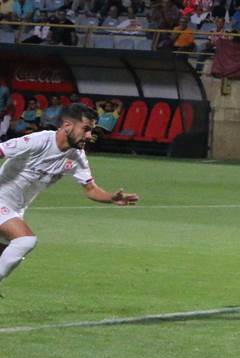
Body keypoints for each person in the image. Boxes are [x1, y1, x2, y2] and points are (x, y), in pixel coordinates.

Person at [0, 102, 140, 289]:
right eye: (86, 129)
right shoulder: (39, 141)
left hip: (16, 209)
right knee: (25, 240)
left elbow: (90, 189)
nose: (90, 136)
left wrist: (111, 198)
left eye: (92, 130)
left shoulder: (76, 156)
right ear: (67, 126)